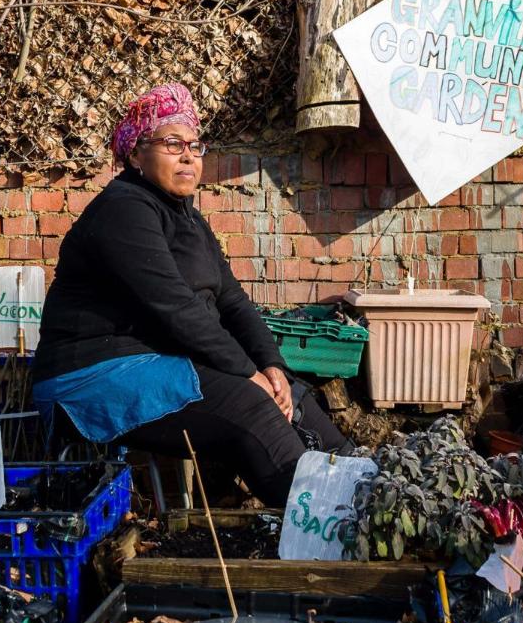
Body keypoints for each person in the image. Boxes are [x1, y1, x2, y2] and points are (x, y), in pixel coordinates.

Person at [32, 83, 351, 506]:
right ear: (134, 154)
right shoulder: (124, 209)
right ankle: (325, 524)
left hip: (160, 359)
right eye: (171, 143)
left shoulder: (191, 221)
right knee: (251, 405)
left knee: (294, 395)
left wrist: (272, 366)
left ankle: (362, 492)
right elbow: (175, 309)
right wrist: (247, 375)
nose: (187, 155)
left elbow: (233, 302)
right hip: (94, 373)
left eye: (194, 145)